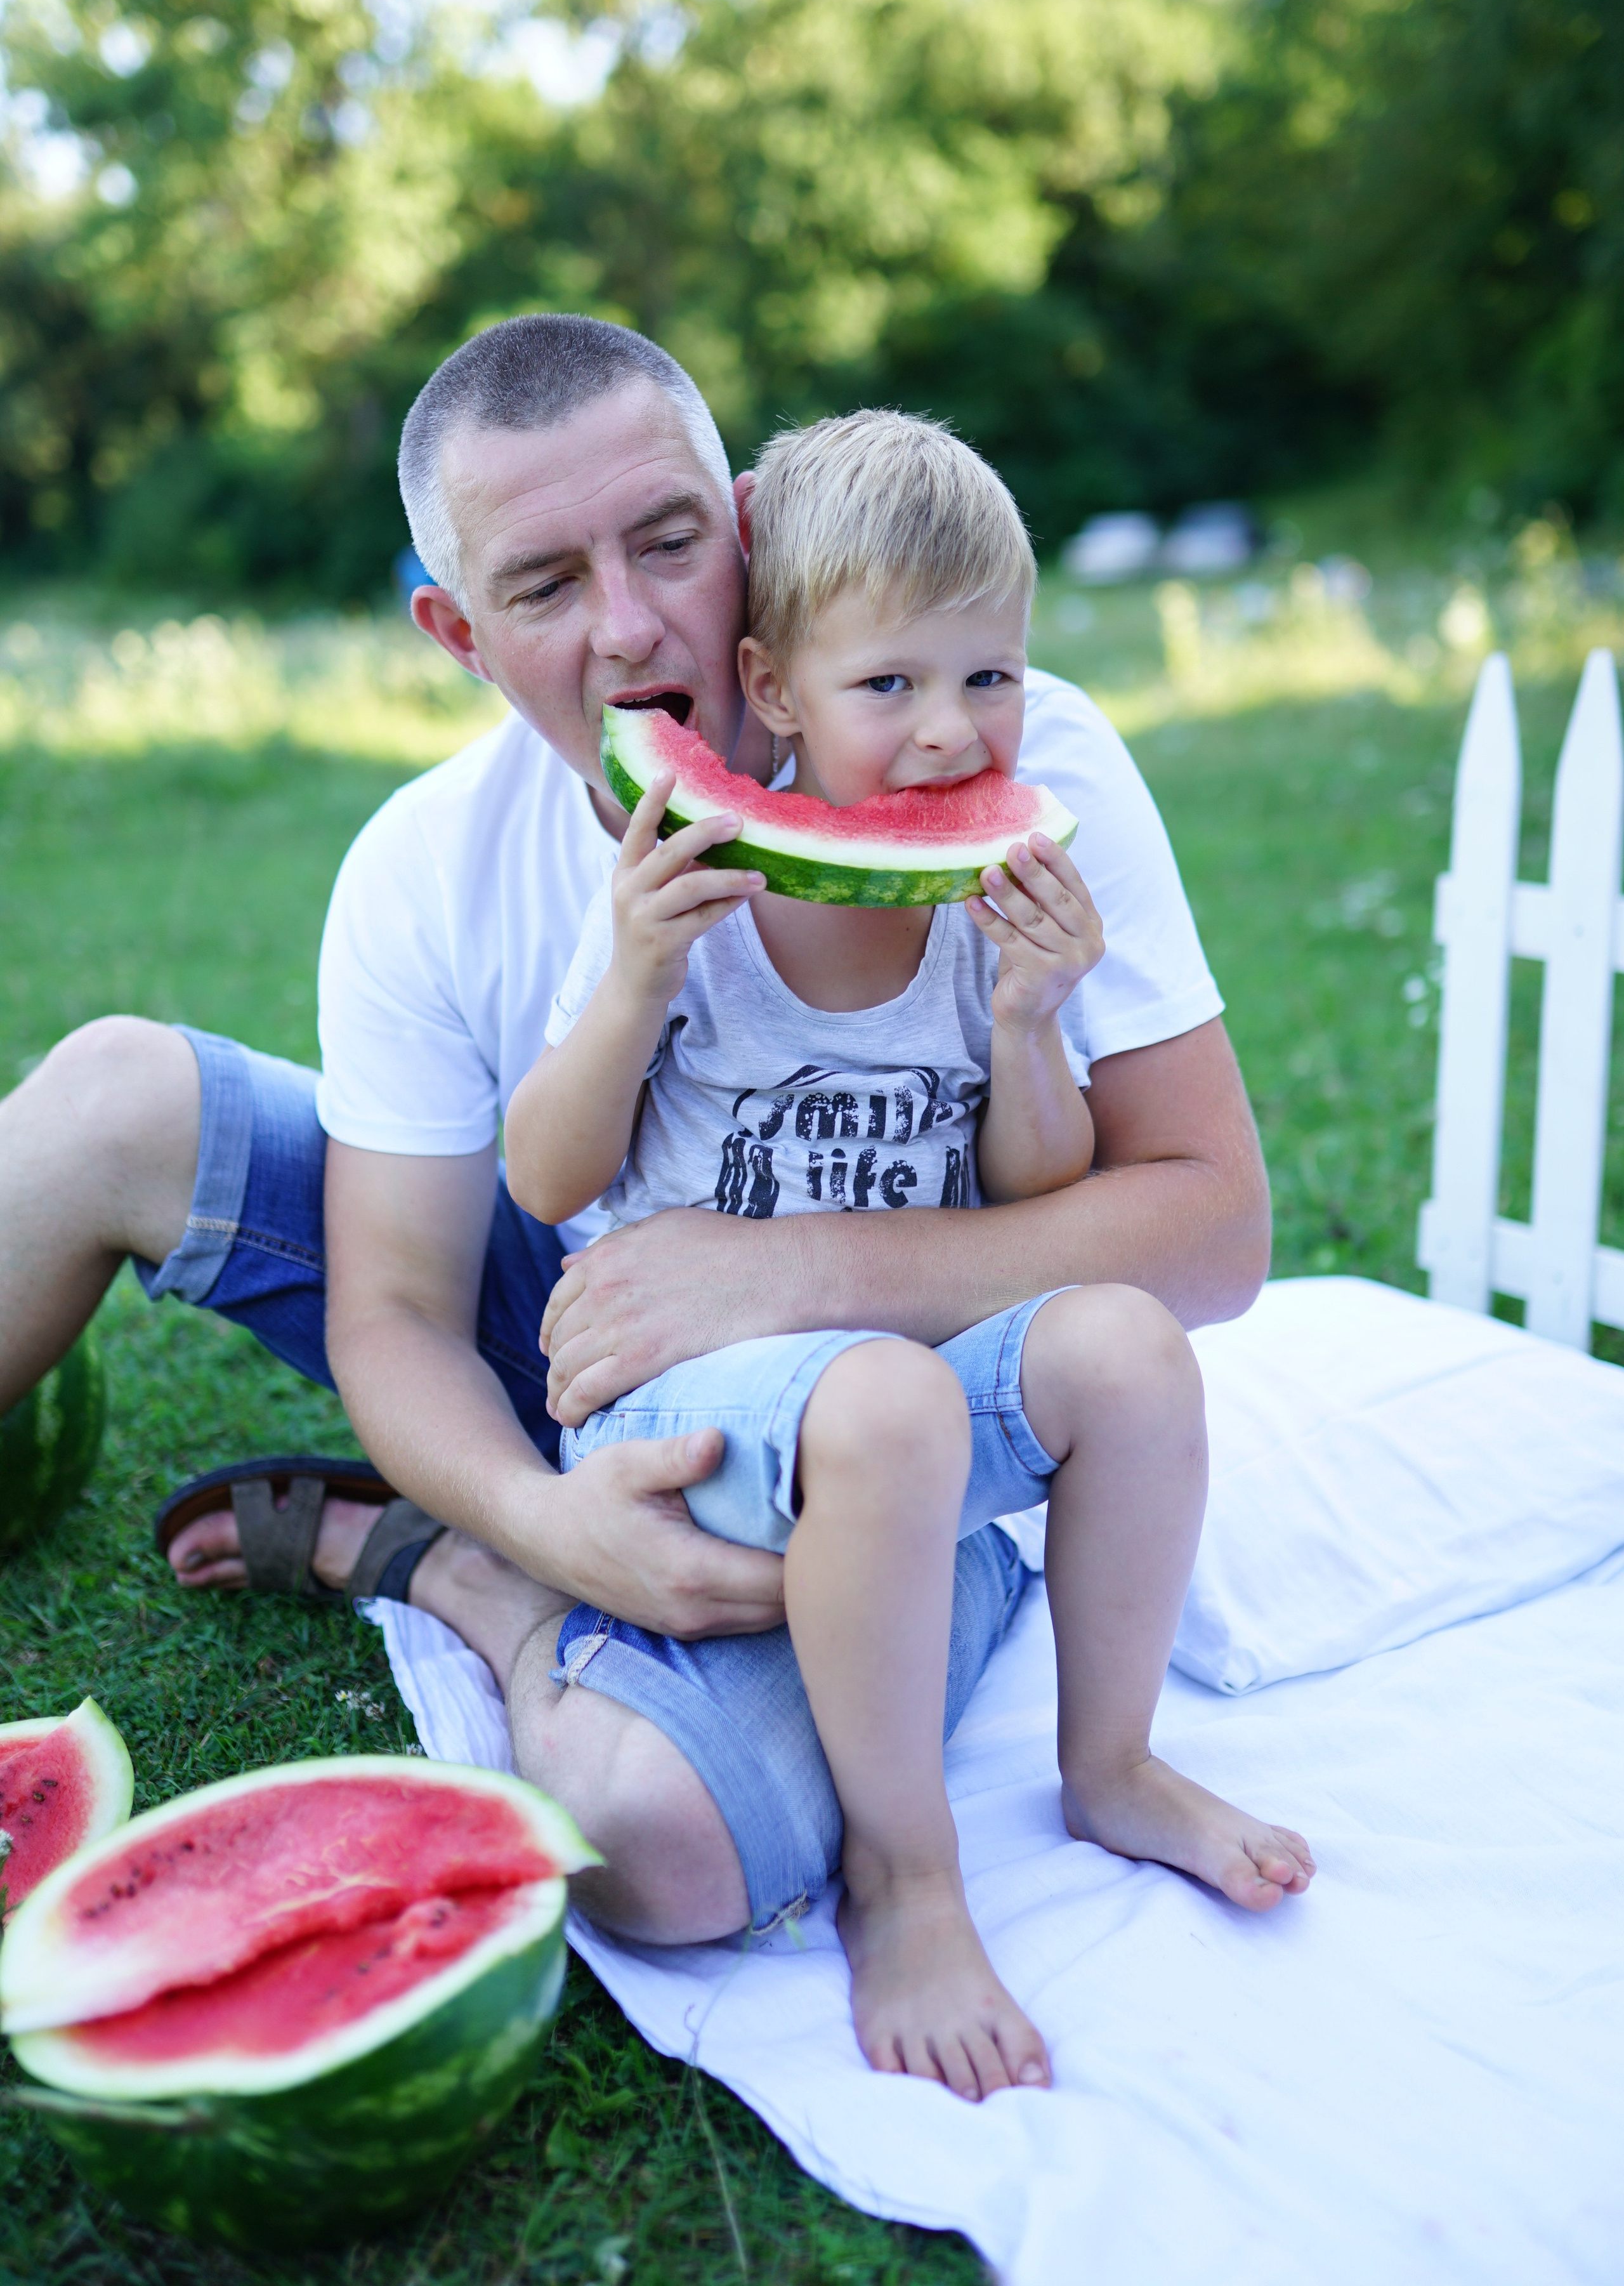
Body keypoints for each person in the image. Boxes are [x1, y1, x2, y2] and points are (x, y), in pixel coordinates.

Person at [0, 317, 1273, 2075]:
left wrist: (787, 1270)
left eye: (668, 540)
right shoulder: (427, 868)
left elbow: (1212, 1225)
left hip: (871, 1407)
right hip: (583, 1291)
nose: (630, 625)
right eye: (542, 584)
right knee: (108, 1098)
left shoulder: (996, 759)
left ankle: (451, 1575)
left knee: (654, 1846)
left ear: (746, 523)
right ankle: (502, 1559)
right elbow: (394, 1303)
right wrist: (553, 1518)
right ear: (456, 629)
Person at [504, 412, 1312, 2097]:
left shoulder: (984, 903)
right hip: (693, 1401)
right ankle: (907, 1871)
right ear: (772, 690)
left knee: (1127, 1345)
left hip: (901, 1378)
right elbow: (544, 1169)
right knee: (880, 1406)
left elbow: (1037, 1189)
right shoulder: (693, 889)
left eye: (991, 681)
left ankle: (1113, 1763)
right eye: (892, 689)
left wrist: (1029, 1026)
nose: (952, 733)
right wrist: (638, 980)